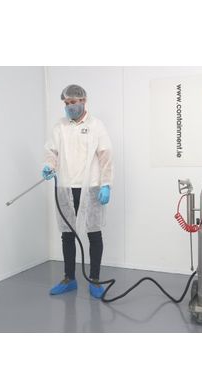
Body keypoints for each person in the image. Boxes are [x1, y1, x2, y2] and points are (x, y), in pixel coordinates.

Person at [42, 84, 113, 299]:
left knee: (94, 233)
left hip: (90, 187)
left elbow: (105, 156)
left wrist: (106, 184)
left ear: (83, 101)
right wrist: (49, 166)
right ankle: (69, 279)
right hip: (65, 186)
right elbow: (51, 152)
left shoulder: (96, 125)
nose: (69, 106)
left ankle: (95, 280)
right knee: (67, 234)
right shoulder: (60, 127)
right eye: (66, 103)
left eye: (73, 102)